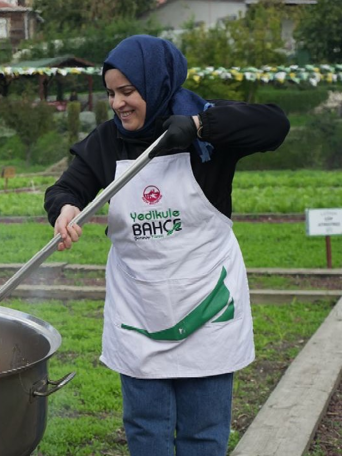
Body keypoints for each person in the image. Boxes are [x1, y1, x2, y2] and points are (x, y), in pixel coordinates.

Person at [44, 35, 290, 456]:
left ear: (157, 84)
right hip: (139, 306)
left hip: (208, 303)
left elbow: (275, 125)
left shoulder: (205, 128)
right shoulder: (108, 141)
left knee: (204, 433)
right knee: (146, 430)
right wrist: (65, 209)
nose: (118, 103)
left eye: (128, 91)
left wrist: (198, 127)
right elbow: (69, 185)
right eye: (111, 93)